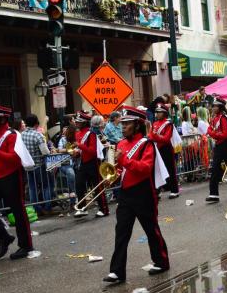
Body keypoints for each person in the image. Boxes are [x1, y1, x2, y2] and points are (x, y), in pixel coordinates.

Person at [104, 106, 170, 283]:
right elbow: (119, 170)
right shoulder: (120, 144)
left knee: (151, 229)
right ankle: (117, 271)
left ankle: (161, 261)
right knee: (121, 232)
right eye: (122, 124)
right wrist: (112, 177)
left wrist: (124, 160)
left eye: (127, 124)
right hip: (125, 194)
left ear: (137, 125)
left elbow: (145, 169)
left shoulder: (147, 144)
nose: (123, 127)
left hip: (143, 192)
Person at [0, 104, 35, 260]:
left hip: (12, 176)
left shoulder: (12, 135)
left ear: (3, 118)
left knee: (18, 211)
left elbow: (14, 159)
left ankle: (26, 246)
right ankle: (3, 236)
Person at [72, 111, 108, 218]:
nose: (77, 123)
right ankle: (82, 208)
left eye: (79, 122)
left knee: (97, 186)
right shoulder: (77, 134)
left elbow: (93, 151)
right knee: (79, 185)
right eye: (76, 121)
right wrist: (76, 153)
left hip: (92, 163)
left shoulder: (91, 134)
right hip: (81, 163)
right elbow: (81, 150)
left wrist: (79, 145)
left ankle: (104, 208)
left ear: (84, 123)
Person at [206, 97, 227, 203]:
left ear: (220, 107)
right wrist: (213, 133)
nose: (214, 108)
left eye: (216, 106)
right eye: (213, 106)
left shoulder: (223, 118)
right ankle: (214, 193)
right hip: (219, 145)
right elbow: (209, 129)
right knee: (216, 168)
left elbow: (224, 134)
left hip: (225, 145)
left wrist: (213, 134)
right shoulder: (214, 118)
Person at [22, 114, 55, 214]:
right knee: (47, 186)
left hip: (27, 166)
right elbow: (45, 152)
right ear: (36, 123)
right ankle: (48, 207)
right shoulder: (37, 135)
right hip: (39, 165)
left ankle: (37, 209)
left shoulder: (22, 134)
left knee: (32, 188)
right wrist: (51, 151)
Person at [148, 103, 180, 199]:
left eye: (159, 112)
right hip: (157, 149)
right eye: (156, 112)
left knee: (170, 169)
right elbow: (150, 136)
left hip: (166, 148)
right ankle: (157, 191)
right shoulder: (154, 123)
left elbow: (166, 138)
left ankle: (174, 190)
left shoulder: (168, 124)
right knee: (156, 170)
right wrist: (153, 136)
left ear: (164, 113)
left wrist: (155, 136)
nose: (156, 114)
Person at [57, 125, 77, 205]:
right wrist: (69, 149)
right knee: (70, 173)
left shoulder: (76, 138)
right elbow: (59, 149)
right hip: (66, 164)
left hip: (76, 162)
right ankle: (72, 195)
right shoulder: (63, 139)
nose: (65, 132)